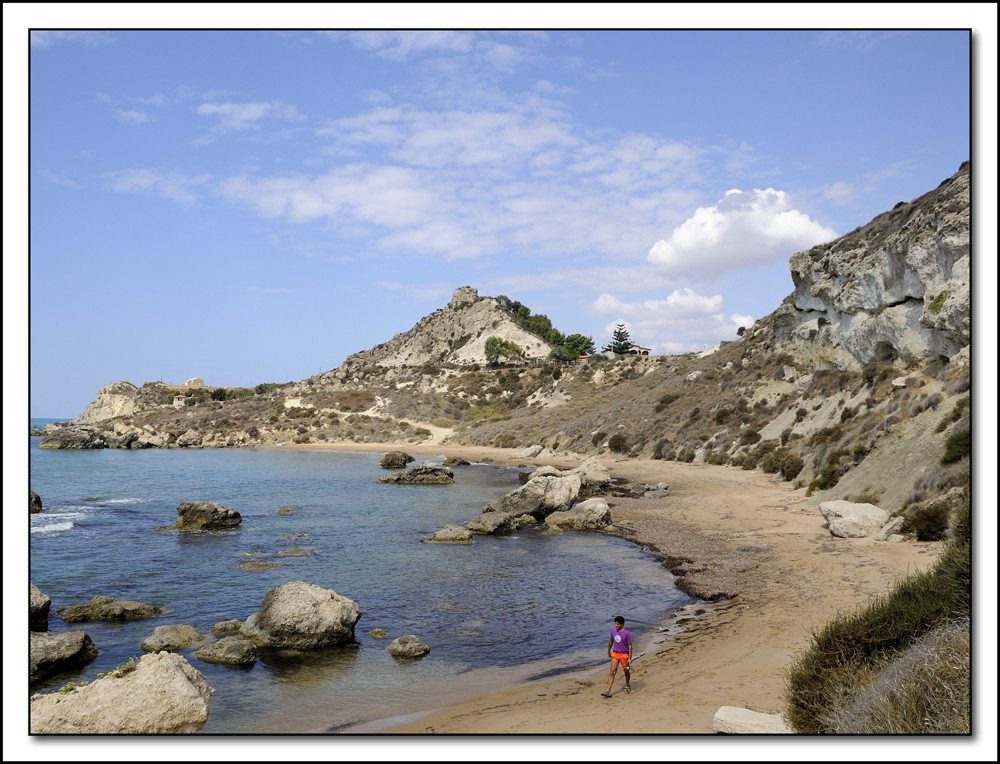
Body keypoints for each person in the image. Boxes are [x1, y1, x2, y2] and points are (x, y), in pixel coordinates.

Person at [601, 615, 632, 697]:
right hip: (615, 654)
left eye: (618, 624)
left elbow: (630, 646)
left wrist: (629, 658)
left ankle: (627, 685)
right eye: (615, 624)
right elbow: (611, 641)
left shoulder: (627, 633)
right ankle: (608, 690)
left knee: (626, 671)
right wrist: (608, 650)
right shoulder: (613, 631)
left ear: (622, 624)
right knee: (612, 672)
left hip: (624, 655)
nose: (616, 625)